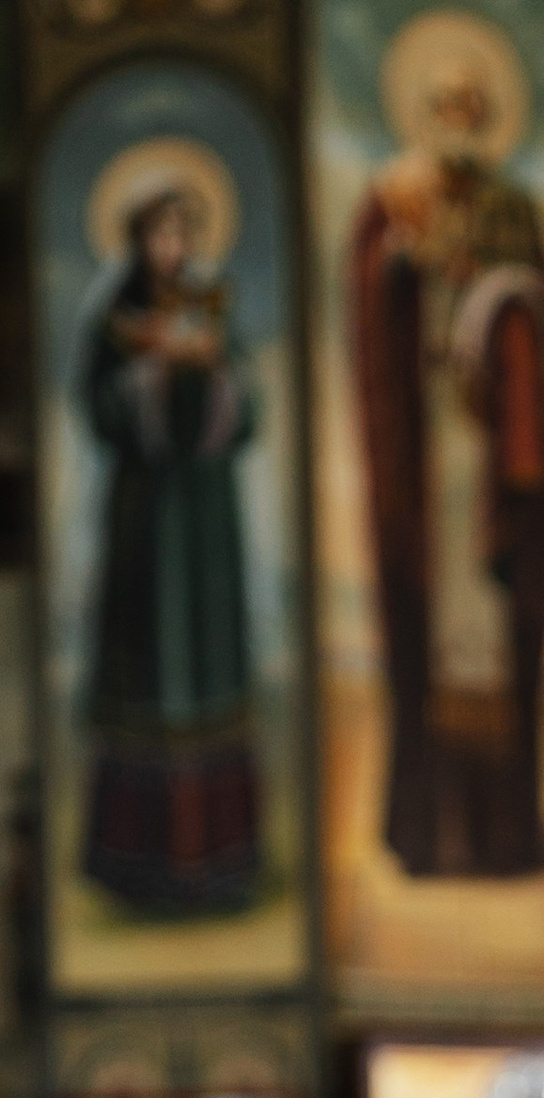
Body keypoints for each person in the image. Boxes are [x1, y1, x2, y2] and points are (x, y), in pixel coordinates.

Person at [349, 18, 544, 878]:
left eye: (471, 106)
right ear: (421, 113)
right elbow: (370, 320)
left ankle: (503, 835)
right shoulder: (391, 202)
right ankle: (430, 834)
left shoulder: (517, 209)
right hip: (431, 454)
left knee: (498, 638)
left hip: (493, 456)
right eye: (443, 105)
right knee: (430, 642)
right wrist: (403, 264)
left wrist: (511, 316)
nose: (457, 119)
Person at [77, 176, 263, 922]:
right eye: (160, 232)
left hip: (206, 519)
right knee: (146, 670)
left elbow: (251, 410)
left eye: (184, 231)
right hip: (146, 520)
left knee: (211, 666)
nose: (173, 246)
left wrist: (212, 371)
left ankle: (219, 862)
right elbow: (95, 406)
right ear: (136, 239)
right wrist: (149, 375)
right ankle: (137, 868)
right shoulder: (112, 313)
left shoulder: (214, 304)